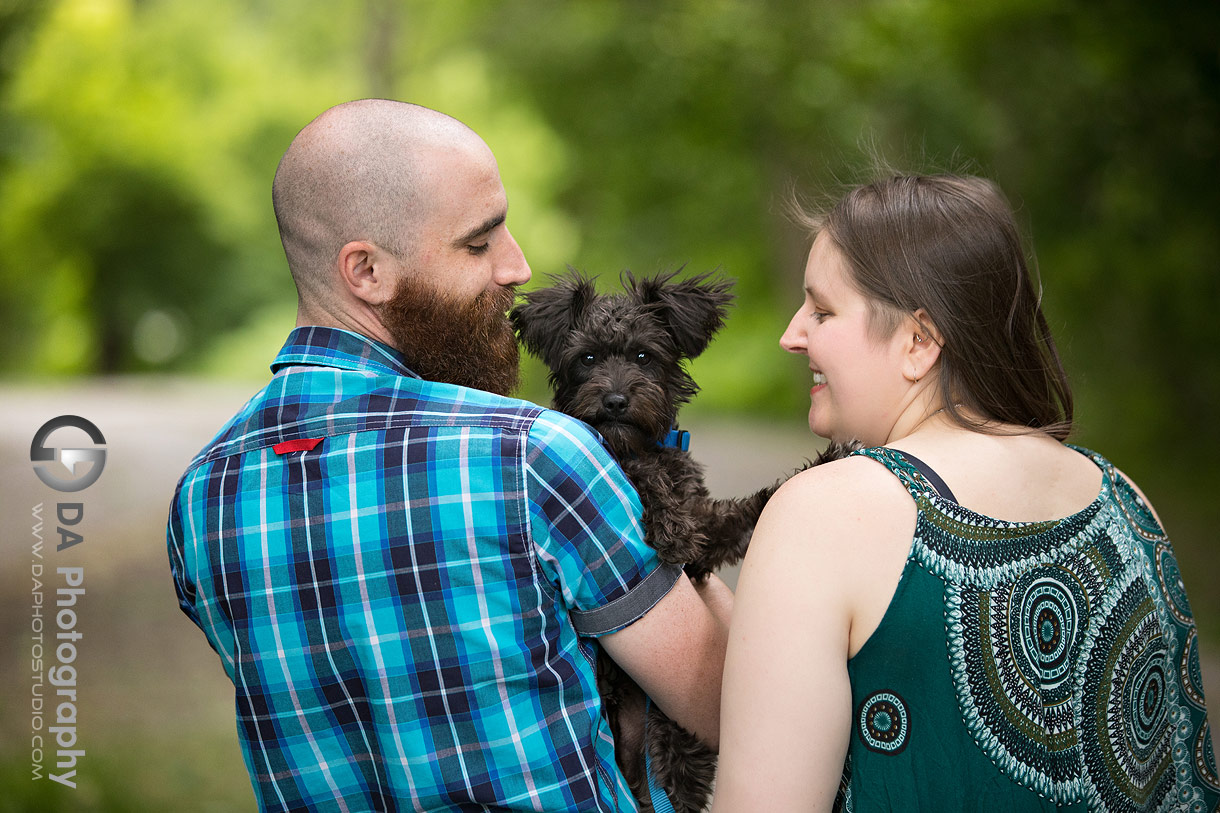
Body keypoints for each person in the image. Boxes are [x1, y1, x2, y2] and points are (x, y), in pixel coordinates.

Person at [166, 99, 732, 812]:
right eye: (478, 243)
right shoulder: (535, 454)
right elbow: (726, 710)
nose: (518, 267)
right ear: (366, 271)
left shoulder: (202, 497)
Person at [712, 173, 1219, 811]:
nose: (792, 335)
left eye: (822, 310)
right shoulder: (1126, 501)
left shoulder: (825, 514)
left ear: (918, 342)